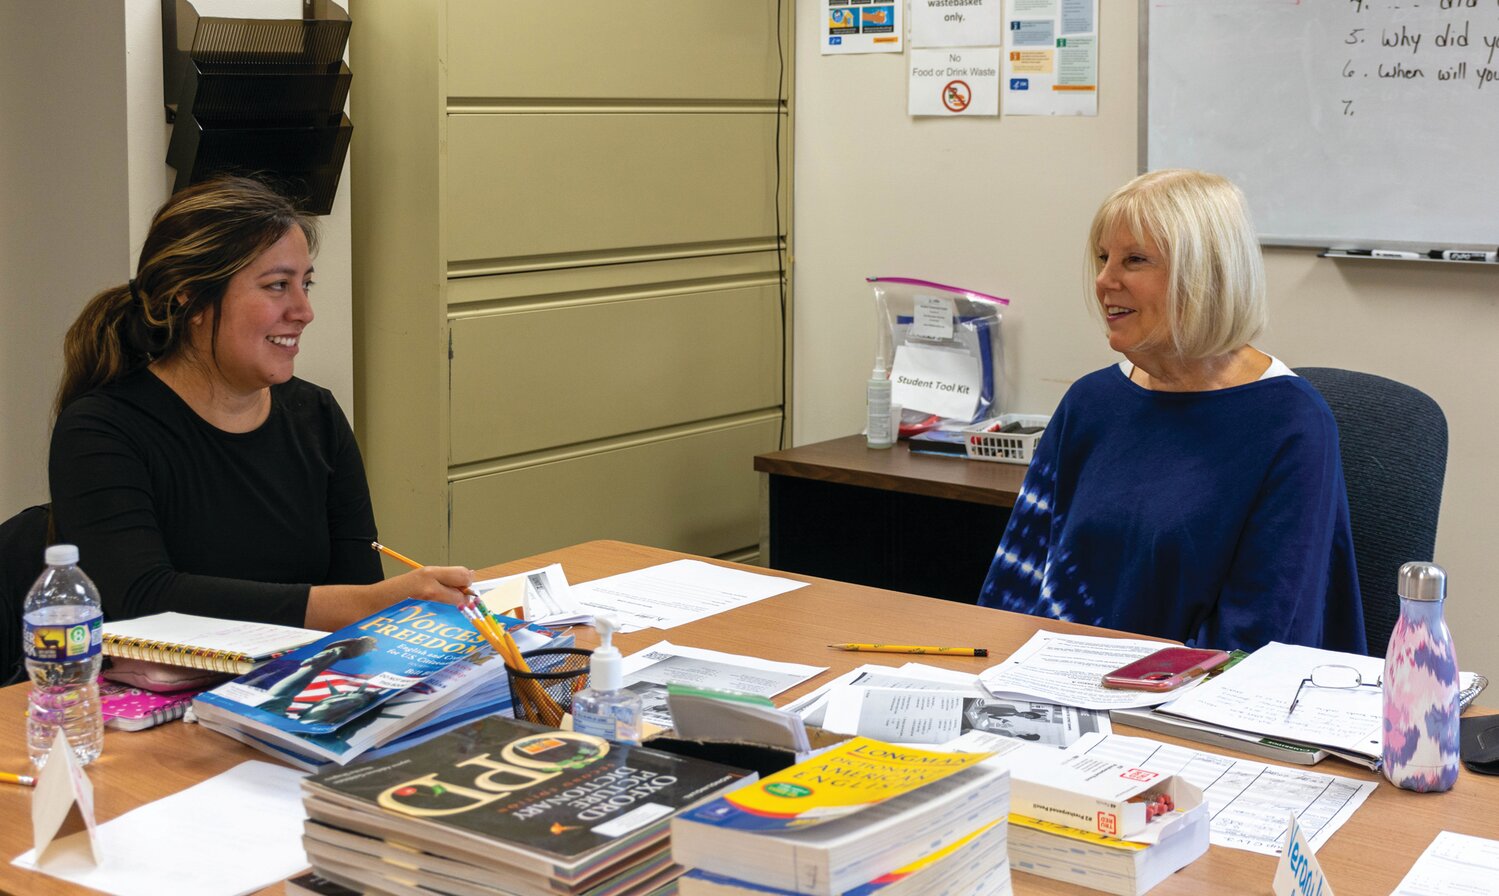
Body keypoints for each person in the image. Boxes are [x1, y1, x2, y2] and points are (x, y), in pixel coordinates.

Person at [49, 176, 474, 631]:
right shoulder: (99, 430)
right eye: (277, 286)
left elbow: (357, 587)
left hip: (304, 688)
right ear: (188, 296)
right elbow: (144, 598)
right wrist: (368, 603)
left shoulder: (317, 415)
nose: (303, 311)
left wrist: (370, 603)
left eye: (305, 284)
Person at [978, 169, 1365, 655]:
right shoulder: (1091, 403)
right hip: (1057, 695)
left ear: (1204, 274)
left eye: (1134, 259)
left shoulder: (1289, 423)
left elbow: (1263, 638)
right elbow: (1017, 580)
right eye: (1103, 258)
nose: (1104, 280)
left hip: (1189, 709)